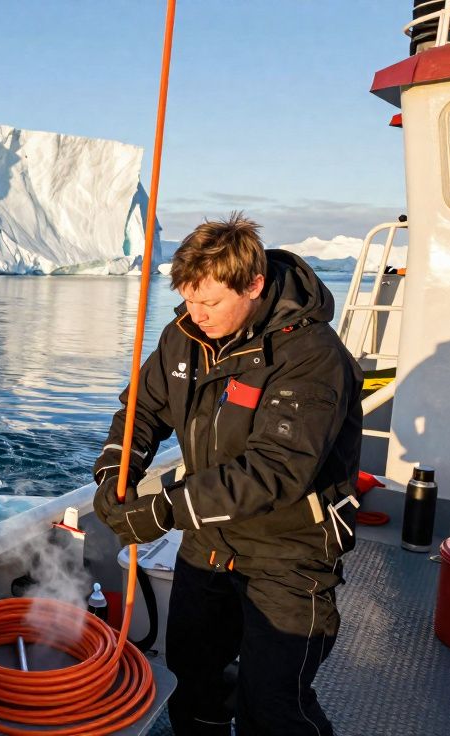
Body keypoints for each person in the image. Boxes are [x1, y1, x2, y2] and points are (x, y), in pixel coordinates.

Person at [92, 213, 361, 735]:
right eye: (188, 299)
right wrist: (114, 470)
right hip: (209, 542)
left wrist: (163, 509)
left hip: (289, 552)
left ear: (254, 284)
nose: (196, 315)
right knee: (192, 681)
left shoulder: (312, 355)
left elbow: (274, 470)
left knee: (274, 705)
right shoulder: (184, 335)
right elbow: (142, 411)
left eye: (210, 302)